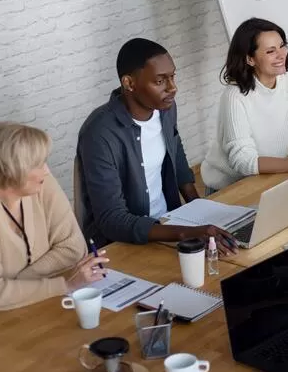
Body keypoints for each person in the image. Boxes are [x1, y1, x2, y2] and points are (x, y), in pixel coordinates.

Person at [77, 38, 238, 254]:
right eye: (160, 81)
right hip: (125, 244)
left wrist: (201, 213)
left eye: (172, 77)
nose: (173, 88)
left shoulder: (165, 109)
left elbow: (176, 153)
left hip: (170, 223)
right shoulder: (100, 133)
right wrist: (184, 233)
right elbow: (111, 220)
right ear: (129, 83)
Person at [0, 123, 108, 312]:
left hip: (38, 306)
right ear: (14, 170)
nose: (47, 170)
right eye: (39, 164)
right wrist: (64, 285)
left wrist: (15, 284)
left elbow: (73, 248)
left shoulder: (41, 183)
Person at [201, 18, 288, 192]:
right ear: (250, 59)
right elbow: (244, 161)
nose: (281, 54)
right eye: (270, 51)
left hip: (270, 178)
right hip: (231, 189)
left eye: (282, 45)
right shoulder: (235, 96)